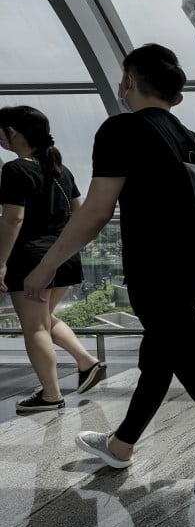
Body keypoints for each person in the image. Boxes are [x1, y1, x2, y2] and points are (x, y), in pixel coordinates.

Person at [22, 44, 195, 495]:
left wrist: (47, 264)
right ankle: (120, 446)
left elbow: (96, 211)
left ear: (129, 81)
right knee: (158, 359)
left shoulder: (122, 130)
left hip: (156, 272)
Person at [0, 106, 106, 411]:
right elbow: (80, 212)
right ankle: (87, 362)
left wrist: (1, 263)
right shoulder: (61, 170)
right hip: (63, 257)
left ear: (13, 132)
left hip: (31, 258)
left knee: (34, 328)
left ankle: (50, 395)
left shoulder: (14, 169)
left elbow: (12, 220)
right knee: (44, 319)